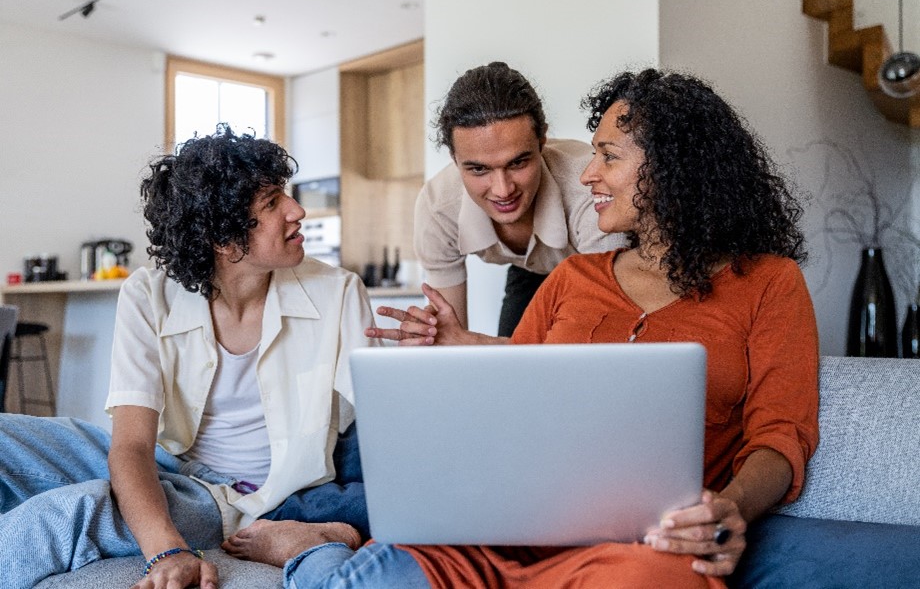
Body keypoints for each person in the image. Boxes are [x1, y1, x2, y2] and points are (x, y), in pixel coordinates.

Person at [258, 68, 820, 587]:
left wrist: (732, 507)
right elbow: (509, 405)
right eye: (592, 154)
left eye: (609, 156)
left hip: (638, 548)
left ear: (676, 166)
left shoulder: (769, 283)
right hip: (496, 535)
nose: (588, 171)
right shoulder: (573, 277)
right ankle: (314, 548)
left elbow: (780, 435)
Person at [0, 126, 377, 589]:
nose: (297, 211)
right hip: (169, 462)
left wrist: (348, 523)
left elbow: (384, 431)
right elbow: (132, 446)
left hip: (236, 499)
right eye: (273, 203)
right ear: (222, 239)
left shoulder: (338, 292)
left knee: (68, 512)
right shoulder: (147, 293)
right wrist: (167, 550)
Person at [410, 61, 624, 338]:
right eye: (479, 169)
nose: (502, 190)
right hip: (527, 269)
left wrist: (475, 344)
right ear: (454, 159)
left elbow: (593, 342)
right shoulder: (437, 207)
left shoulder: (592, 190)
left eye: (518, 163)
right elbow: (451, 342)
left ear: (543, 139)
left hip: (593, 267)